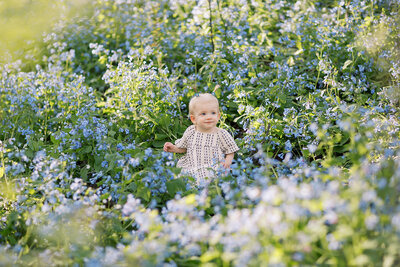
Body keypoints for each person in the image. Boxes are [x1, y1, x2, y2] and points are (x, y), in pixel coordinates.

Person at [163, 93, 239, 184]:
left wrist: (227, 163)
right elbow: (184, 148)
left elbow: (230, 151)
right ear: (193, 119)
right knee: (180, 179)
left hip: (212, 168)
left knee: (212, 180)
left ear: (218, 116)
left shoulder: (221, 134)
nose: (209, 117)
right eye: (203, 114)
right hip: (191, 167)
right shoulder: (191, 131)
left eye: (213, 113)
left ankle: (208, 191)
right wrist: (174, 148)